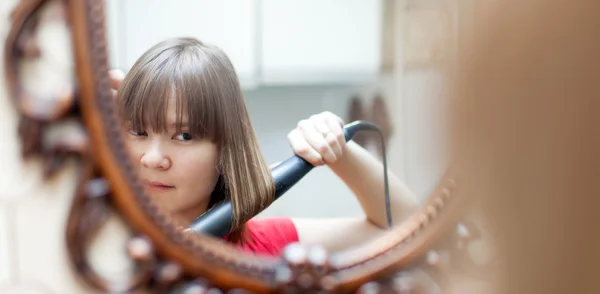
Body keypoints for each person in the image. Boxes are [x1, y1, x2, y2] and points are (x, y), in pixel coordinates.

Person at [112, 37, 417, 257]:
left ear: (225, 152)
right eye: (138, 131)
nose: (152, 158)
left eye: (185, 136)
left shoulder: (265, 245)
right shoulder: (104, 247)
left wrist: (339, 150)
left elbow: (408, 231)